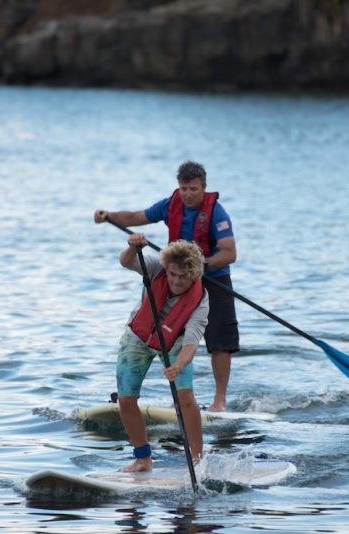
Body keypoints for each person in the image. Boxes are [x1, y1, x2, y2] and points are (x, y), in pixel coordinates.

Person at [95, 160, 238, 412]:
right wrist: (110, 217)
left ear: (203, 188)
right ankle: (177, 399)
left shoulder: (217, 212)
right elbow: (137, 217)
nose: (188, 194)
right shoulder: (170, 205)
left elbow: (229, 253)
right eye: (183, 188)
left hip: (214, 277)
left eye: (193, 189)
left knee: (220, 341)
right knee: (173, 334)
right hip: (177, 275)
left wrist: (201, 265)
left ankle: (219, 401)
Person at [116, 234, 208, 472]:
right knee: (126, 400)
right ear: (167, 268)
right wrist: (131, 246)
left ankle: (197, 460)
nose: (177, 281)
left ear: (195, 275)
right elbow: (126, 262)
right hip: (138, 337)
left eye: (184, 277)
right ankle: (143, 459)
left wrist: (178, 366)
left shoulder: (201, 300)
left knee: (185, 397)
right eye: (173, 274)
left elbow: (191, 343)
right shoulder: (156, 268)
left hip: (175, 342)